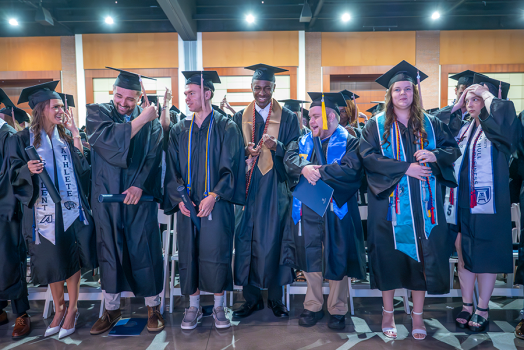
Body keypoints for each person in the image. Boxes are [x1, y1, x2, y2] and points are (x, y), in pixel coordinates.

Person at [359, 61, 460, 340]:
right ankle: (388, 312)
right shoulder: (375, 126)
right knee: (389, 260)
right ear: (389, 95)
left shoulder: (431, 123)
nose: (403, 94)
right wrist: (407, 168)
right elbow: (368, 158)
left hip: (424, 208)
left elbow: (452, 149)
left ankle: (417, 316)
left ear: (414, 93)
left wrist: (434, 156)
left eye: (408, 89)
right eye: (397, 90)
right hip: (389, 208)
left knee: (422, 262)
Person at [9, 82, 97, 339]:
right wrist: (28, 170)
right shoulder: (21, 139)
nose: (61, 110)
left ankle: (72, 310)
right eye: (56, 106)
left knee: (72, 258)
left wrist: (75, 132)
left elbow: (84, 169)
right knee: (52, 260)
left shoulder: (66, 137)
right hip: (42, 213)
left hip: (71, 210)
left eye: (62, 106)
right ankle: (58, 309)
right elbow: (11, 173)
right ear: (41, 109)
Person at [164, 71, 245, 330]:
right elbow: (171, 167)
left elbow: (231, 166)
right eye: (185, 94)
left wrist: (214, 195)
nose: (186, 98)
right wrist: (178, 200)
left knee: (216, 252)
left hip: (216, 206)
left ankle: (219, 307)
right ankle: (194, 306)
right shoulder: (179, 129)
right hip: (187, 206)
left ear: (206, 94)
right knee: (189, 254)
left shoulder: (226, 126)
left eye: (191, 93)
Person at [86, 68, 165, 334]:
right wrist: (142, 117)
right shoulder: (97, 113)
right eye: (119, 96)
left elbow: (153, 157)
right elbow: (108, 144)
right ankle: (111, 309)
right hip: (106, 198)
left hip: (138, 199)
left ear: (138, 96)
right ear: (113, 92)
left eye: (130, 99)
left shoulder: (152, 123)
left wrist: (140, 184)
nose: (123, 103)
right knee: (109, 252)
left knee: (145, 249)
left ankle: (153, 307)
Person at [281, 92, 366, 330]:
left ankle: (338, 308)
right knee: (311, 256)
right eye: (309, 117)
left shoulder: (350, 141)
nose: (311, 121)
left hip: (337, 209)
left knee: (337, 255)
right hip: (309, 209)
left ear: (332, 116)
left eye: (316, 116)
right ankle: (312, 305)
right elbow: (289, 160)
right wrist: (304, 167)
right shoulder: (303, 141)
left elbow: (352, 171)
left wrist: (317, 173)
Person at [445, 74, 519, 333]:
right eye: (470, 99)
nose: (472, 103)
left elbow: (507, 125)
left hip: (488, 203)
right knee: (463, 254)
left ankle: (482, 307)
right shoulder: (463, 128)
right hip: (461, 201)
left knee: (484, 255)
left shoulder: (498, 128)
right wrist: (457, 104)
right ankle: (467, 304)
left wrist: (489, 98)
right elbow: (439, 128)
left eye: (478, 99)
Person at [232, 63, 299, 318]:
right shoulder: (239, 118)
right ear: (251, 87)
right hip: (249, 188)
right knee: (246, 238)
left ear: (274, 87)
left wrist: (278, 145)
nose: (262, 92)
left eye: (267, 87)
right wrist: (244, 153)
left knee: (275, 240)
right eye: (258, 87)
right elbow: (229, 154)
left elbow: (296, 151)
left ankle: (275, 298)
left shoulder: (289, 117)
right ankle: (250, 299)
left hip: (276, 188)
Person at [0, 89, 31, 340]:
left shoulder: (8, 136)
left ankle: (22, 314)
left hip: (6, 209)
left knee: (11, 260)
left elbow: (11, 175)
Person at [434, 70, 476, 136]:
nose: (465, 98)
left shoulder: (475, 113)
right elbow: (432, 120)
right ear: (456, 90)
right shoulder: (448, 111)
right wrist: (458, 106)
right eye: (462, 93)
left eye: (468, 94)